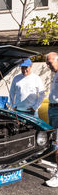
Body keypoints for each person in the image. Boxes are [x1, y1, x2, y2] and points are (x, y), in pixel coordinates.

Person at [45, 52, 58, 187]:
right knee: (54, 140)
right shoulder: (55, 75)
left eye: (50, 62)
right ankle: (56, 167)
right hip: (53, 109)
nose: (48, 65)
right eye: (47, 63)